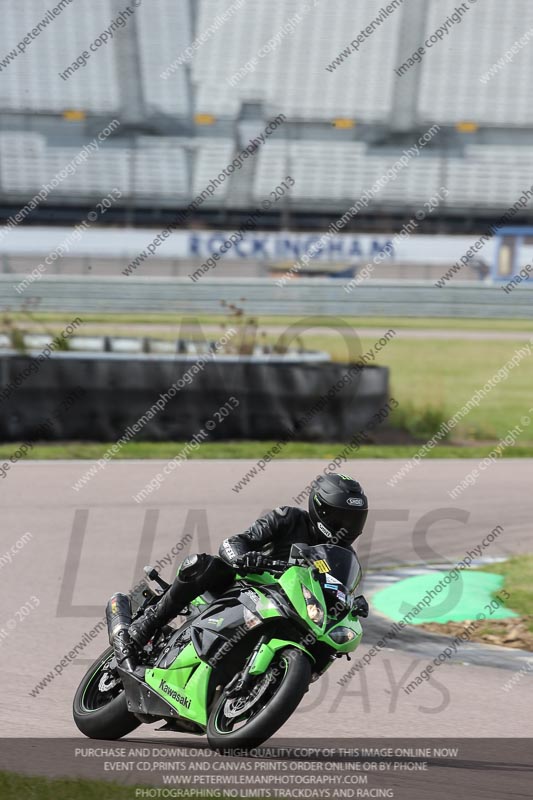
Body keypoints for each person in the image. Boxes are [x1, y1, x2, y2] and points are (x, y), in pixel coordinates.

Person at [118, 473, 369, 663]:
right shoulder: (288, 518)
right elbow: (235, 542)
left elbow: (336, 590)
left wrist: (352, 603)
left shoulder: (343, 556)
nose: (348, 526)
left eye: (355, 520)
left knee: (328, 642)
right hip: (248, 585)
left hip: (291, 608)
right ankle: (148, 624)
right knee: (202, 565)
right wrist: (244, 557)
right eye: (341, 518)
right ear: (321, 508)